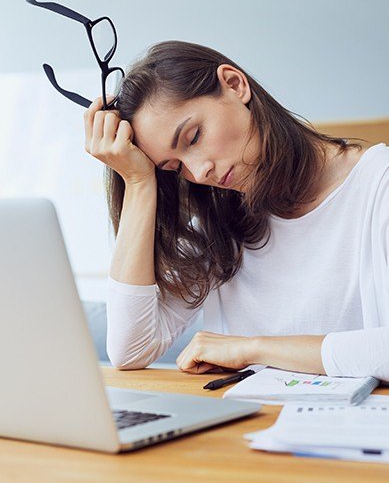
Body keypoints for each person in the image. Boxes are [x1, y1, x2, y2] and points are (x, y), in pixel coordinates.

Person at [83, 40, 389, 380]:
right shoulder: (218, 225)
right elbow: (130, 350)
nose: (199, 173)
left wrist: (252, 348)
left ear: (234, 84)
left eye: (194, 136)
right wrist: (139, 183)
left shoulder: (379, 185)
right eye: (174, 167)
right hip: (247, 430)